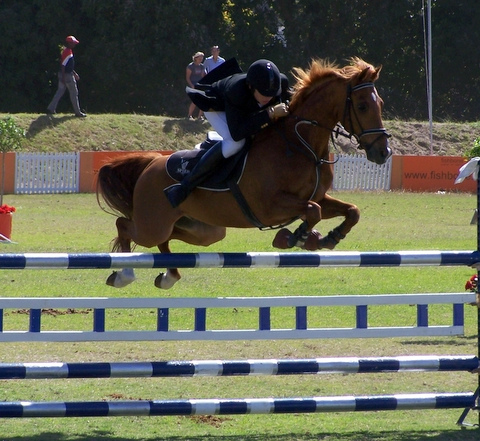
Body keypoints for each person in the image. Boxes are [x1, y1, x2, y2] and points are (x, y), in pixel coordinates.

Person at [164, 59, 290, 208]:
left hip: (242, 107)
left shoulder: (280, 84)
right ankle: (184, 187)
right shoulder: (236, 91)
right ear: (251, 86)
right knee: (235, 143)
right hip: (217, 105)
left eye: (272, 94)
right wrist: (269, 113)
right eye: (263, 93)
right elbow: (237, 133)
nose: (268, 98)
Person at [47, 36, 86, 117]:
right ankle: (78, 112)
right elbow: (63, 66)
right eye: (73, 43)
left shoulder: (66, 51)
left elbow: (68, 66)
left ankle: (51, 108)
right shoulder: (67, 52)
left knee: (60, 92)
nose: (74, 44)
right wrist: (64, 78)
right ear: (69, 43)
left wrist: (74, 73)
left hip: (65, 74)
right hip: (67, 76)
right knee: (74, 92)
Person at [186, 51, 206, 120]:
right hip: (193, 85)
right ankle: (189, 115)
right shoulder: (190, 66)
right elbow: (188, 78)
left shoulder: (202, 66)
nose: (201, 59)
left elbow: (202, 76)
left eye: (202, 58)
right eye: (200, 58)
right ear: (196, 58)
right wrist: (192, 85)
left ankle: (200, 116)